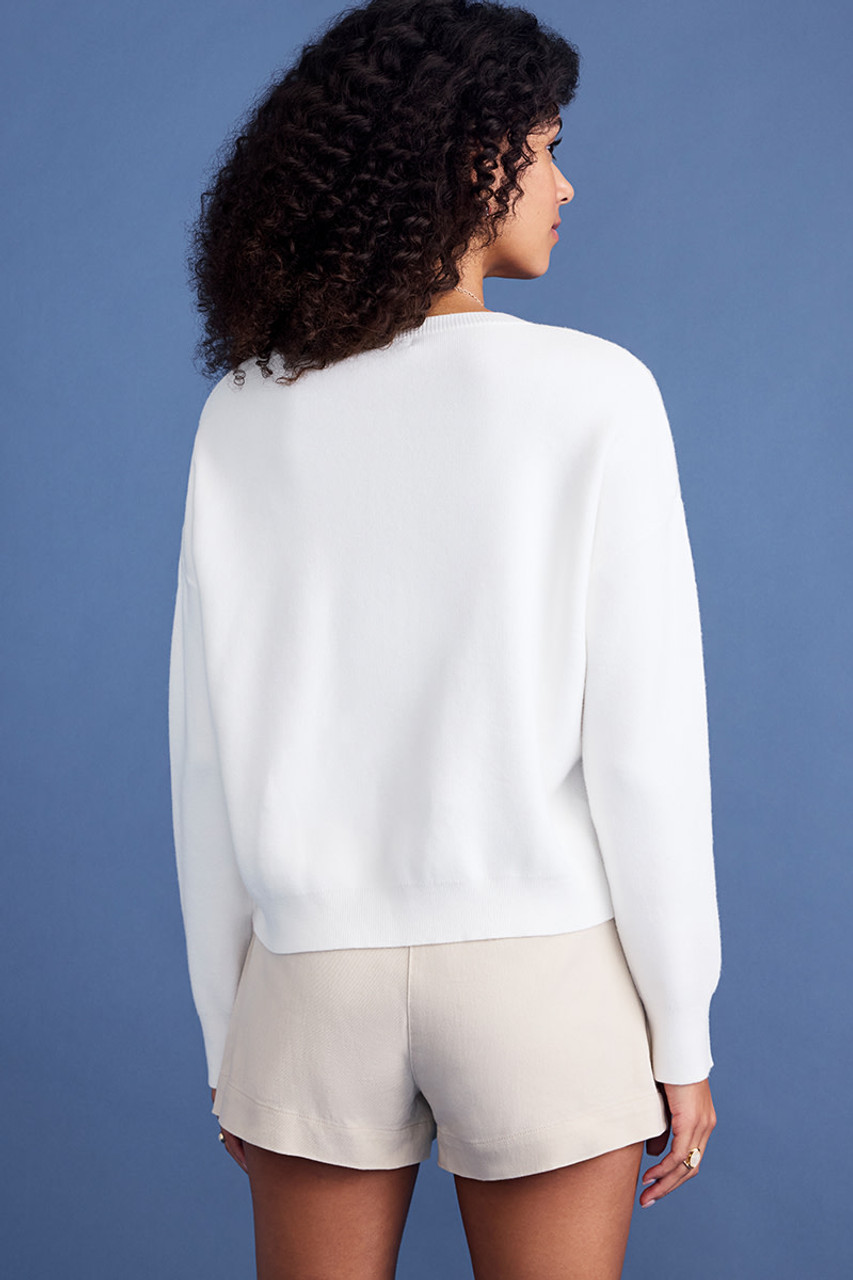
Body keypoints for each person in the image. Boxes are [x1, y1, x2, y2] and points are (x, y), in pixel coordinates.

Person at [168, 1, 722, 1276]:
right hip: (540, 971)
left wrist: (224, 1033)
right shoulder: (596, 392)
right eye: (547, 148)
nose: (565, 185)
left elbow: (205, 751)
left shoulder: (246, 409)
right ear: (469, 156)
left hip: (309, 973)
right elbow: (643, 746)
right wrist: (679, 1031)